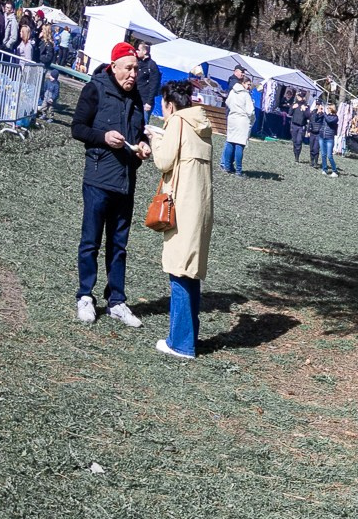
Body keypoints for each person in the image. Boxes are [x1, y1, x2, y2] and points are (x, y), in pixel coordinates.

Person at [70, 43, 152, 327]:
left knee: (119, 245)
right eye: (128, 68)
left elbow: (141, 133)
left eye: (136, 69)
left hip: (125, 181)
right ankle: (85, 296)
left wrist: (143, 144)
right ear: (113, 66)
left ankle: (116, 301)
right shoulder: (95, 89)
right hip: (98, 179)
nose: (133, 74)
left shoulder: (137, 99)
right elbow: (78, 128)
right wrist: (103, 137)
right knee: (90, 242)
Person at [146, 81, 219, 360]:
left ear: (169, 103)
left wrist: (156, 137)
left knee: (179, 271)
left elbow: (164, 162)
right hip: (200, 207)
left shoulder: (176, 120)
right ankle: (188, 339)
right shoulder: (202, 123)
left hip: (183, 206)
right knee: (191, 273)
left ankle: (180, 343)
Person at [221, 77, 255, 175]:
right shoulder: (245, 94)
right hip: (242, 120)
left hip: (232, 118)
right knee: (240, 144)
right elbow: (250, 111)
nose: (249, 87)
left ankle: (227, 167)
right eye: (248, 84)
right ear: (243, 83)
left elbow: (227, 102)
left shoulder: (232, 92)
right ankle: (239, 170)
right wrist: (251, 119)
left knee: (230, 142)